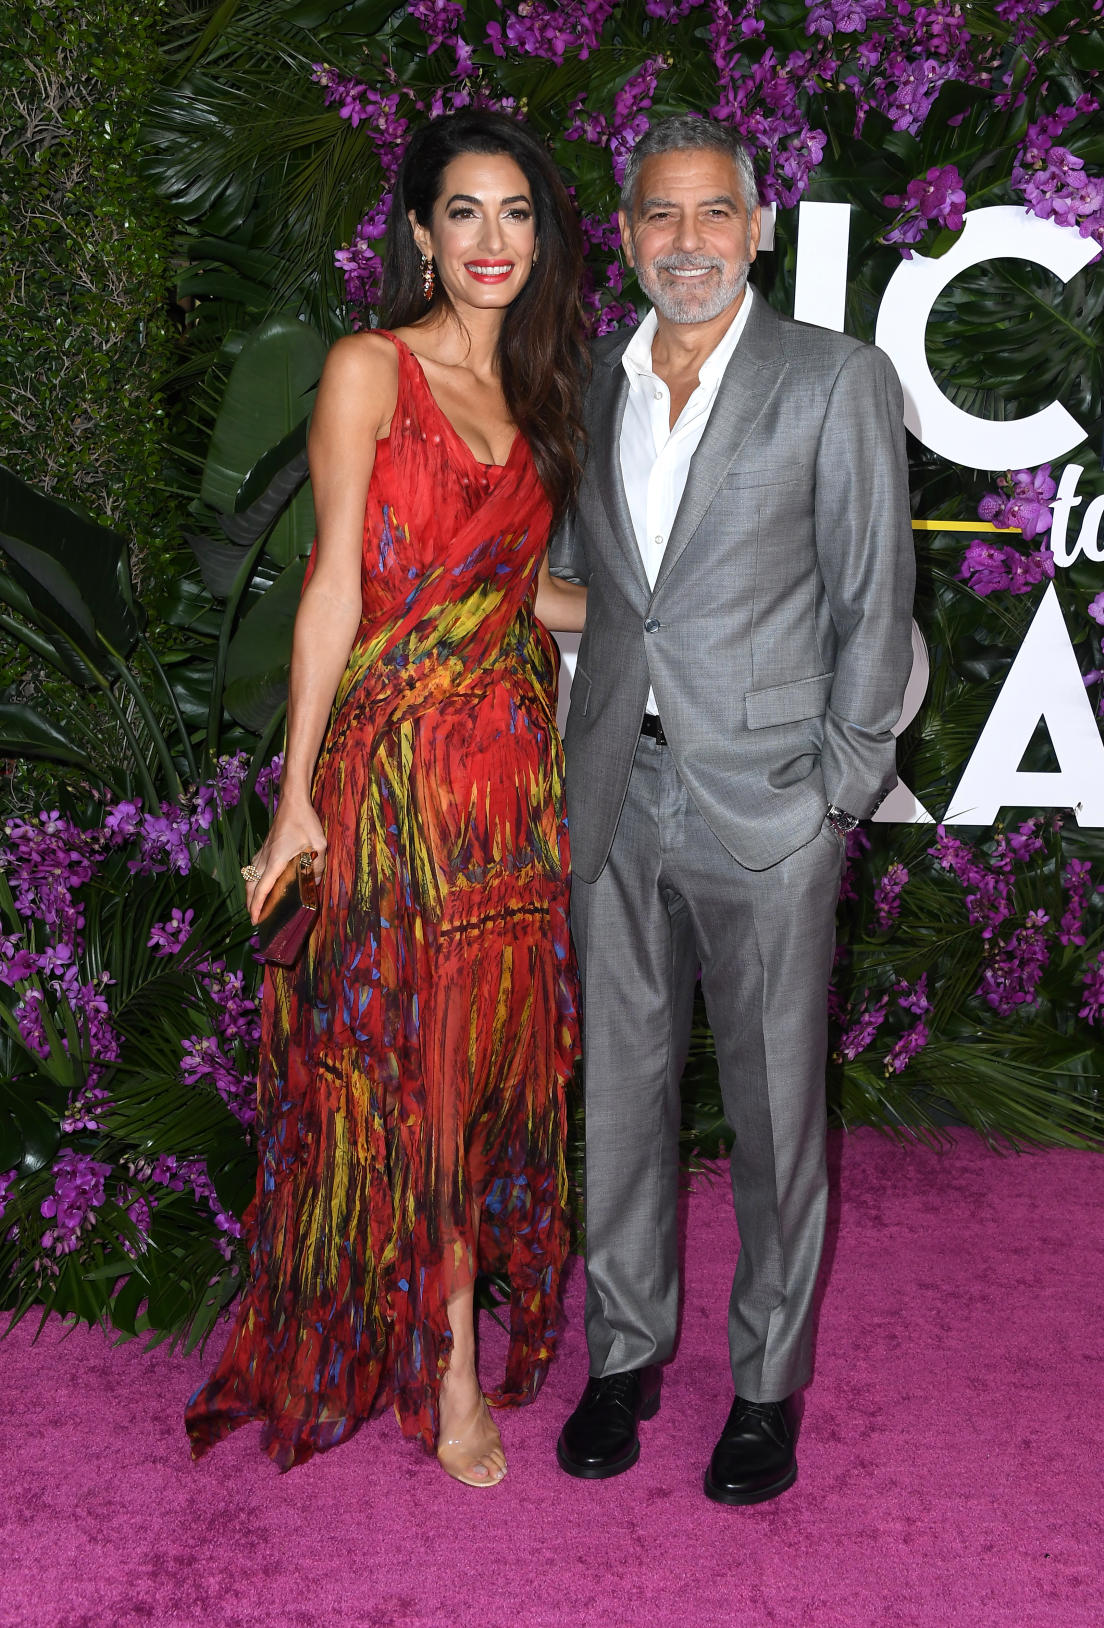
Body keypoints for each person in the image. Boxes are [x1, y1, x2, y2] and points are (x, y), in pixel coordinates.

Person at [185, 109, 589, 1487]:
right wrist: (295, 795)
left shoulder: (539, 390)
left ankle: (439, 1324)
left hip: (513, 796)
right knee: (411, 1076)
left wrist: (680, 626)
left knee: (488, 1078)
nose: (490, 240)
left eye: (515, 213)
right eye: (462, 213)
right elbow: (337, 586)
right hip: (399, 782)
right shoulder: (371, 367)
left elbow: (517, 587)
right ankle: (450, 1372)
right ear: (418, 230)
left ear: (542, 235)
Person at [550, 115, 915, 1506]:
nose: (686, 243)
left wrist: (838, 788)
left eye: (713, 215)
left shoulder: (833, 381)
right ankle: (625, 1353)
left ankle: (764, 1388)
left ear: (756, 228)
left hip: (766, 809)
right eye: (659, 216)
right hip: (617, 794)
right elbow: (598, 591)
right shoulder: (590, 382)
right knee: (623, 1102)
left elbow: (874, 603)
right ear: (627, 235)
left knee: (774, 1118)